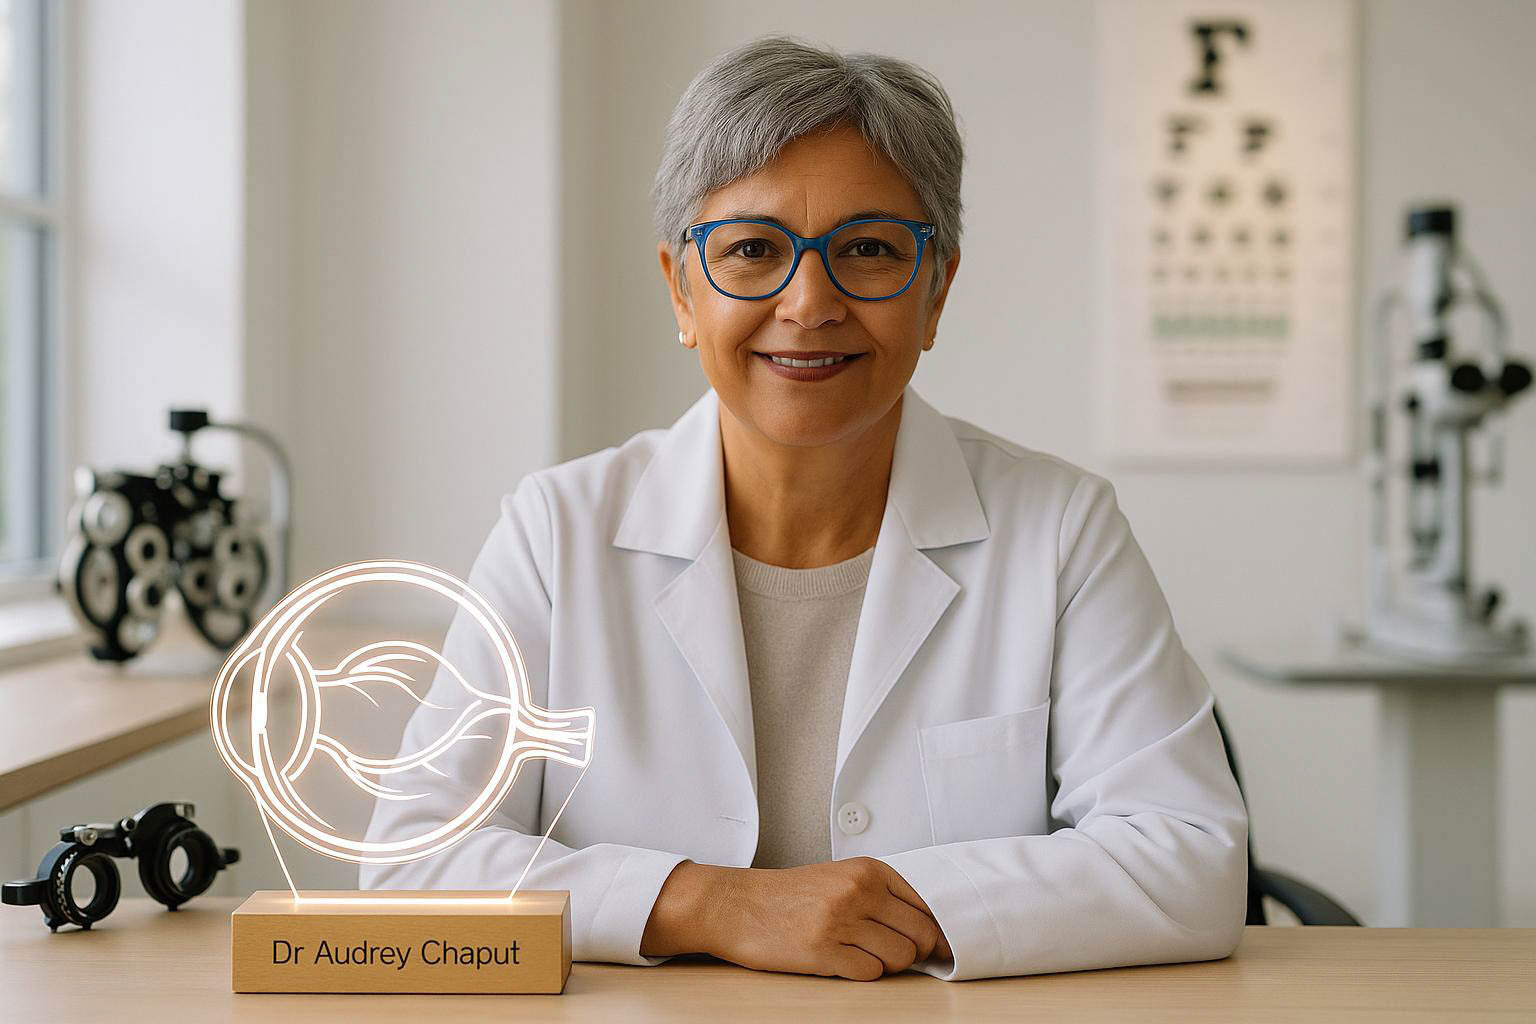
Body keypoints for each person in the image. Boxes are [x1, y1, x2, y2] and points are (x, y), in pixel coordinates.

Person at [361, 33, 1248, 982]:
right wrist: (708, 902)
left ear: (937, 290)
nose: (809, 300)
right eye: (753, 250)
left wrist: (886, 914)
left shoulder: (1060, 530)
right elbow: (413, 862)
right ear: (682, 289)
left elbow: (1189, 855)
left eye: (868, 250)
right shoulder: (557, 533)